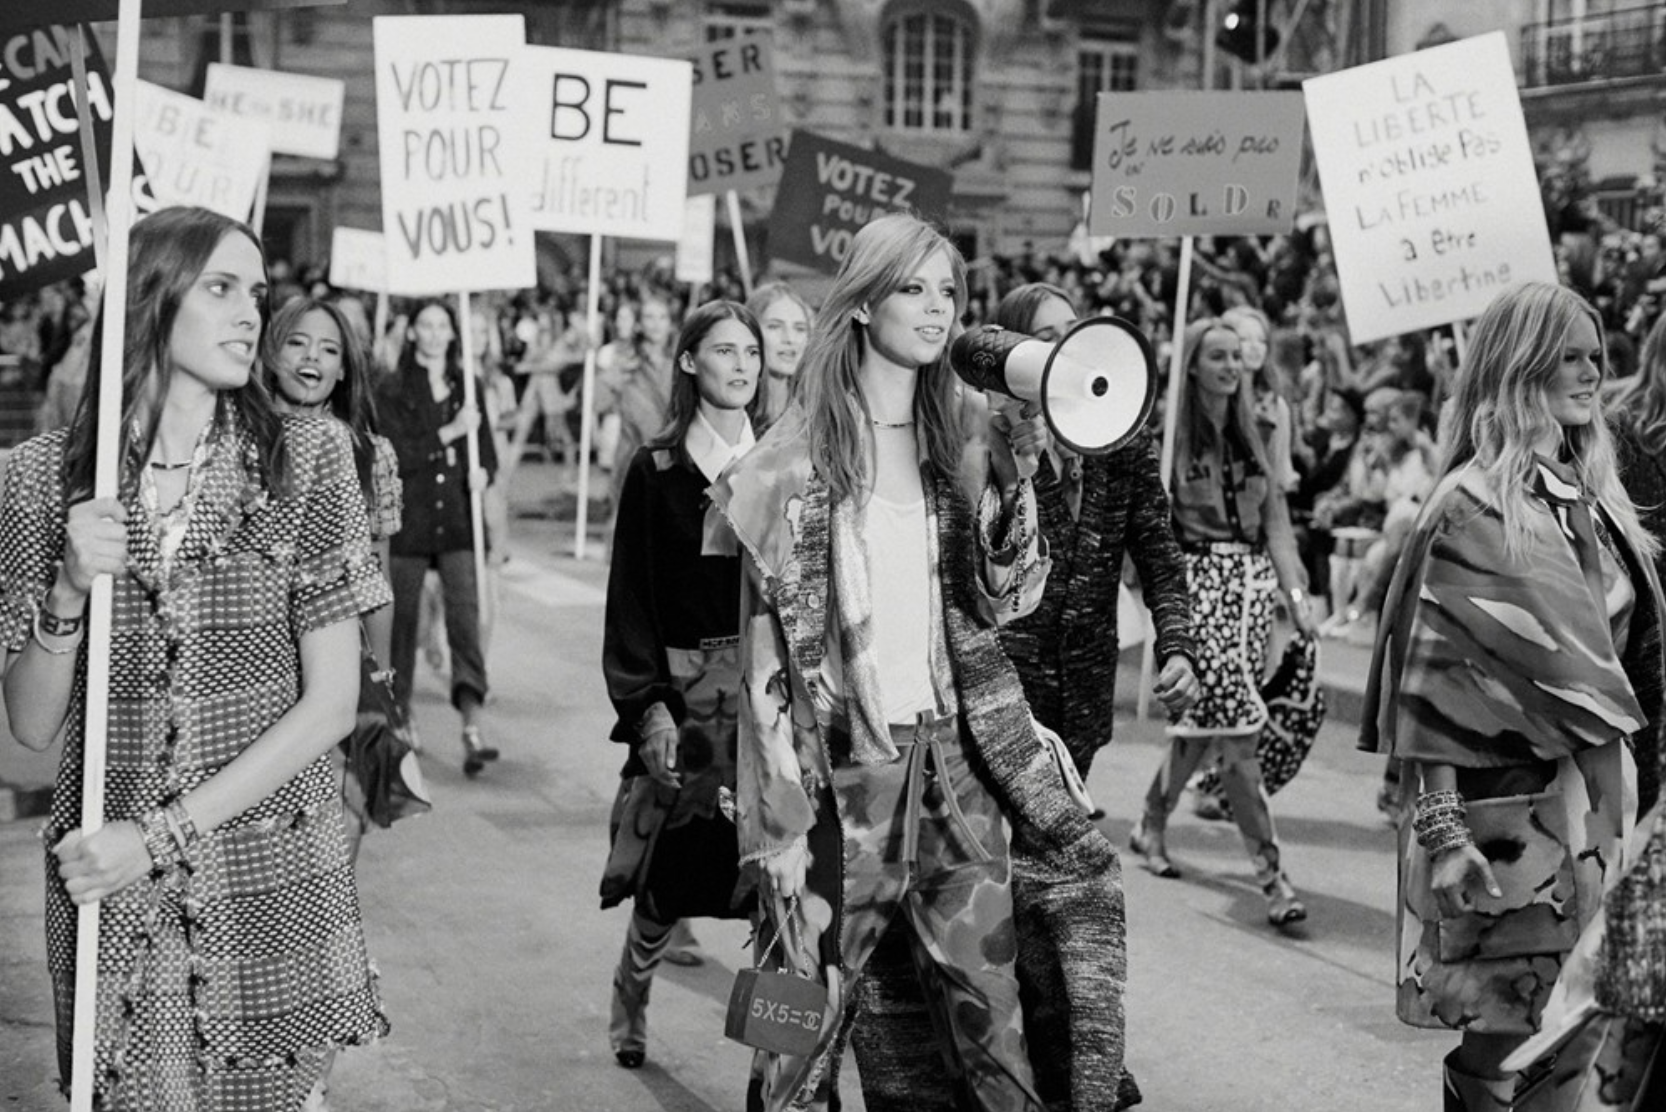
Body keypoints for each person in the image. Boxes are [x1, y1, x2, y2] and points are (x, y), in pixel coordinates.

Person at [711, 213, 1134, 1112]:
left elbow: (1008, 599)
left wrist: (1020, 477)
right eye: (914, 288)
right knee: (787, 1032)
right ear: (862, 304)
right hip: (839, 780)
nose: (938, 309)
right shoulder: (784, 464)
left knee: (995, 1028)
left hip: (955, 773)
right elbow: (761, 673)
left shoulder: (966, 437)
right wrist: (780, 827)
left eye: (948, 290)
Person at [0, 206, 389, 1110]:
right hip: (112, 887)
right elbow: (27, 725)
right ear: (151, 298)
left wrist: (162, 836)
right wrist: (65, 591)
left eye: (255, 292)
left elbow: (332, 704)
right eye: (221, 288)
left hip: (270, 872)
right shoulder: (39, 480)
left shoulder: (308, 459)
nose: (252, 314)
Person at [1361, 281, 1663, 1111]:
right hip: (1507, 816)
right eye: (1569, 355)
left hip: (1604, 810)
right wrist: (1446, 831)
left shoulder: (1594, 496)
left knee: (1580, 1033)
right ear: (1519, 362)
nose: (1592, 372)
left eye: (1597, 354)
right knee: (1504, 1039)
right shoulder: (1470, 505)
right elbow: (1432, 688)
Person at [599, 300, 764, 1070]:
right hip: (687, 704)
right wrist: (650, 711)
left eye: (752, 353)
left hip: (771, 705)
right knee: (669, 883)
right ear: (691, 362)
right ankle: (631, 993)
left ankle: (778, 1063)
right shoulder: (655, 470)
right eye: (725, 351)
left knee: (786, 896)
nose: (742, 365)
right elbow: (630, 600)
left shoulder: (786, 468)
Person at [1128, 317, 1316, 927]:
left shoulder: (1260, 430)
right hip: (1194, 590)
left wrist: (1295, 589)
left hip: (1253, 590)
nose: (1233, 366)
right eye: (1218, 356)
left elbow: (1278, 523)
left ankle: (1150, 824)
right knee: (1234, 733)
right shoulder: (1164, 441)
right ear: (1192, 366)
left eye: (1238, 356)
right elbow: (1149, 532)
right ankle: (1273, 878)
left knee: (1206, 721)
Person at [990, 283, 1199, 775]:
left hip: (1082, 696)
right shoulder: (988, 438)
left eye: (1073, 334)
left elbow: (1160, 557)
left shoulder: (1121, 434)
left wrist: (1177, 649)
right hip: (1005, 696)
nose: (1067, 352)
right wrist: (1014, 466)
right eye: (1047, 338)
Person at [376, 299, 500, 777]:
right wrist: (449, 433)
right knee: (402, 624)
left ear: (453, 334)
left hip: (459, 524)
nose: (432, 334)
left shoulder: (467, 387)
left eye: (441, 326)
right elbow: (397, 454)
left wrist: (482, 474)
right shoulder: (392, 389)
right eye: (424, 325)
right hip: (411, 522)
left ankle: (472, 722)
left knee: (466, 621)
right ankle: (400, 717)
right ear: (412, 334)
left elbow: (485, 452)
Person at [596, 292, 676, 511]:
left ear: (670, 323)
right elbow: (596, 402)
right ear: (639, 324)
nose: (656, 324)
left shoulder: (681, 365)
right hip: (633, 461)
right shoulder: (626, 361)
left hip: (673, 462)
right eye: (649, 317)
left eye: (662, 317)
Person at [745, 282, 813, 434]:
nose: (790, 339)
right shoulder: (730, 410)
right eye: (774, 326)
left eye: (800, 329)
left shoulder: (817, 413)